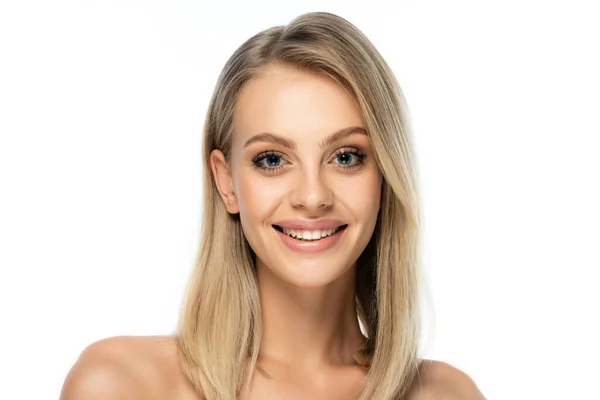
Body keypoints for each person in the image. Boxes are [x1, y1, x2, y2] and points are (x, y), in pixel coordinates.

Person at [59, 11, 485, 400]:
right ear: (226, 182)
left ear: (386, 176)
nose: (313, 196)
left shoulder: (446, 394)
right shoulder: (124, 384)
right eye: (272, 160)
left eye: (346, 156)